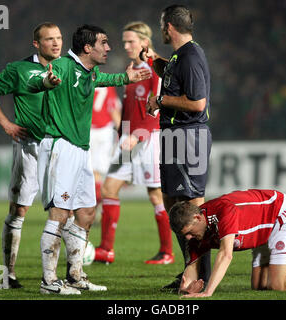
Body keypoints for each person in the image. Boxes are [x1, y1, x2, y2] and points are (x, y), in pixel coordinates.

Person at [28, 24, 151, 295]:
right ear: (87, 48)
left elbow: (101, 80)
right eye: (103, 43)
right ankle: (48, 282)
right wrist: (46, 82)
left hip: (81, 150)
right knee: (60, 214)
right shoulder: (61, 66)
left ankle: (75, 276)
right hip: (60, 146)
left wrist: (125, 78)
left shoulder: (90, 71)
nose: (109, 48)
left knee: (86, 213)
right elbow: (37, 80)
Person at [0, 22, 63, 289]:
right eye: (49, 39)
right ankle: (9, 273)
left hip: (61, 148)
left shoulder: (69, 67)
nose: (56, 43)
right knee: (19, 210)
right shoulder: (19, 69)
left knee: (66, 211)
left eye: (59, 38)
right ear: (36, 44)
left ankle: (66, 275)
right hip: (30, 148)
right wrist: (6, 123)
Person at [168, 189, 286, 298]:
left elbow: (226, 254)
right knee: (261, 286)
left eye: (190, 233)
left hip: (283, 215)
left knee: (280, 285)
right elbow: (192, 267)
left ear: (197, 217)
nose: (189, 239)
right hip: (265, 233)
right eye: (186, 236)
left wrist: (208, 292)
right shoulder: (196, 233)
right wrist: (186, 289)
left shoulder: (224, 210)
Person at [94, 21, 174, 265]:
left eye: (130, 41)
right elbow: (129, 111)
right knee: (109, 189)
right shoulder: (131, 69)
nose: (125, 45)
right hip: (128, 139)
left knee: (156, 195)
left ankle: (167, 252)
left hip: (148, 139)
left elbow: (155, 109)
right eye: (125, 41)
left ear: (144, 43)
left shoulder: (154, 70)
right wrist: (122, 135)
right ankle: (106, 249)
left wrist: (137, 135)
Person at [144, 4, 212, 289]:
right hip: (175, 135)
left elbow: (197, 103)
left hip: (188, 137)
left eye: (162, 25)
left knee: (192, 205)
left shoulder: (191, 56)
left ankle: (201, 275)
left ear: (168, 26)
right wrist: (155, 60)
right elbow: (173, 75)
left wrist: (159, 101)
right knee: (174, 204)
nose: (161, 29)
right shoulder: (178, 56)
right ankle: (190, 270)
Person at [90, 86, 122, 208]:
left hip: (88, 130)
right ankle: (97, 204)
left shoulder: (85, 82)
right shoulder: (108, 86)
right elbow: (113, 109)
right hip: (105, 131)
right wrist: (122, 133)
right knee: (99, 172)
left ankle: (93, 204)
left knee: (91, 171)